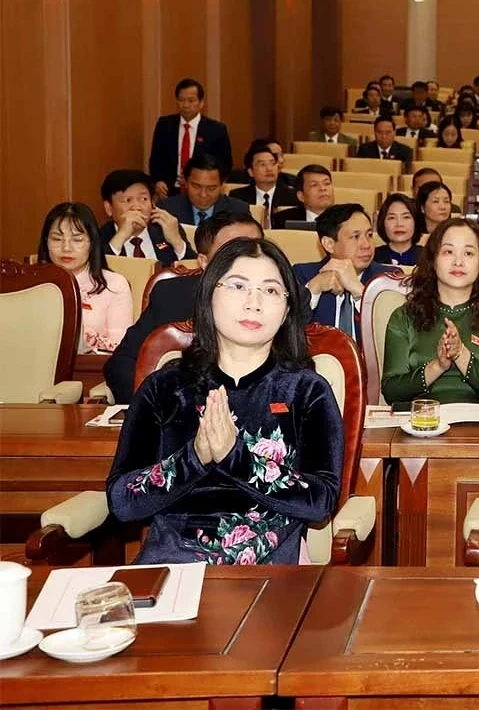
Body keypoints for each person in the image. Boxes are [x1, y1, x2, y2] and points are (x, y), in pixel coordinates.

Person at [105, 237, 343, 565]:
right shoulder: (165, 387)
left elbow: (321, 502)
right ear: (209, 295)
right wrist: (195, 457)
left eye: (271, 290)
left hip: (269, 573)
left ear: (287, 309)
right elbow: (122, 501)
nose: (254, 302)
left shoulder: (306, 391)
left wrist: (237, 458)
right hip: (171, 567)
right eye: (238, 286)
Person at [104, 213, 263, 404]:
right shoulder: (171, 296)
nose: (248, 259)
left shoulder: (285, 297)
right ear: (204, 262)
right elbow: (122, 364)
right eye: (232, 251)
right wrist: (157, 408)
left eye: (256, 248)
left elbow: (297, 367)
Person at [381, 218, 479, 405]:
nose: (458, 262)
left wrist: (460, 354)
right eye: (448, 252)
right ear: (433, 260)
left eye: (468, 253)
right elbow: (392, 392)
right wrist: (438, 366)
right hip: (421, 423)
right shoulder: (404, 317)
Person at [38, 202, 133, 354]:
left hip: (93, 372)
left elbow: (120, 348)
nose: (66, 248)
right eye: (57, 239)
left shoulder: (114, 285)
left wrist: (85, 338)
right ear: (46, 242)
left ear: (92, 243)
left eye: (77, 240)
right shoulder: (31, 284)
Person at [292, 204, 389, 343]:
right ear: (329, 244)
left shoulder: (388, 278)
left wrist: (359, 290)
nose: (366, 244)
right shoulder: (303, 275)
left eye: (369, 235)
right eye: (355, 237)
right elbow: (288, 334)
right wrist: (314, 289)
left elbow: (395, 333)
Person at [148, 78, 234, 197]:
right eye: (181, 100)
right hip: (170, 191)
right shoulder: (164, 125)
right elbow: (156, 158)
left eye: (191, 100)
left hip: (202, 191)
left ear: (201, 102)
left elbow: (225, 163)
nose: (186, 105)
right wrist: (158, 181)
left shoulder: (216, 129)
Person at [99, 170, 195, 264]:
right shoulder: (98, 237)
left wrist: (177, 241)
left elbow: (196, 272)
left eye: (143, 199)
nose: (137, 207)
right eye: (127, 200)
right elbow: (94, 273)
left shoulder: (165, 228)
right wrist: (120, 237)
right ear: (109, 208)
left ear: (152, 203)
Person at [160, 155, 251, 227]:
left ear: (221, 186)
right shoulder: (167, 210)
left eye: (211, 188)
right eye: (196, 186)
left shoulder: (239, 211)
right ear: (186, 183)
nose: (203, 194)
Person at [229, 141, 299, 215]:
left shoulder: (293, 197)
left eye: (272, 163)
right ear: (251, 172)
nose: (269, 168)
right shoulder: (238, 197)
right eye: (262, 164)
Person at [270, 165, 336, 228]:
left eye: (327, 183)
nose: (323, 188)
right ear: (301, 196)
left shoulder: (345, 219)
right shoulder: (283, 220)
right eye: (314, 185)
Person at [374, 193, 422, 266]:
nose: (399, 224)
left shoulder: (428, 257)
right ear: (382, 223)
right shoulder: (373, 257)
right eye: (392, 218)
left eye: (406, 217)